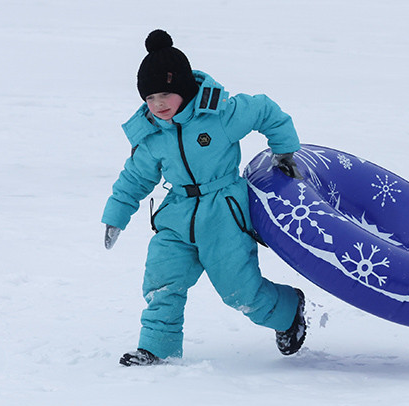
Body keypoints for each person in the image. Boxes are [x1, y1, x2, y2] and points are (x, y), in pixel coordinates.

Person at [102, 30, 307, 366]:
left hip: (223, 212)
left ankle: (287, 310)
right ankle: (157, 347)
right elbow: (135, 177)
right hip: (177, 214)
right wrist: (116, 215)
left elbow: (264, 110)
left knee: (239, 292)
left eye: (165, 94)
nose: (158, 104)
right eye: (150, 97)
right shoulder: (152, 134)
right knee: (162, 281)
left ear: (183, 88)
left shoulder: (219, 114)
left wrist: (283, 150)